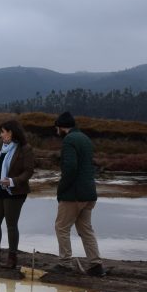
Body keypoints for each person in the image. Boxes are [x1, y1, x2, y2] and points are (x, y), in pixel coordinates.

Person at [52, 111, 105, 276]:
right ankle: (96, 264)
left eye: (56, 128)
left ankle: (64, 263)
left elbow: (70, 168)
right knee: (85, 229)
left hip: (74, 194)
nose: (56, 132)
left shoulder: (69, 140)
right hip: (89, 193)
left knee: (61, 227)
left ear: (61, 127)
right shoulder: (85, 138)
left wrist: (61, 190)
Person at [0, 119, 36, 269]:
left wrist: (12, 181)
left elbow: (29, 171)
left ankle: (12, 258)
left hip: (15, 192)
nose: (0, 135)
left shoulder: (25, 148)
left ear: (11, 132)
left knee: (11, 225)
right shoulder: (4, 147)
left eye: (3, 132)